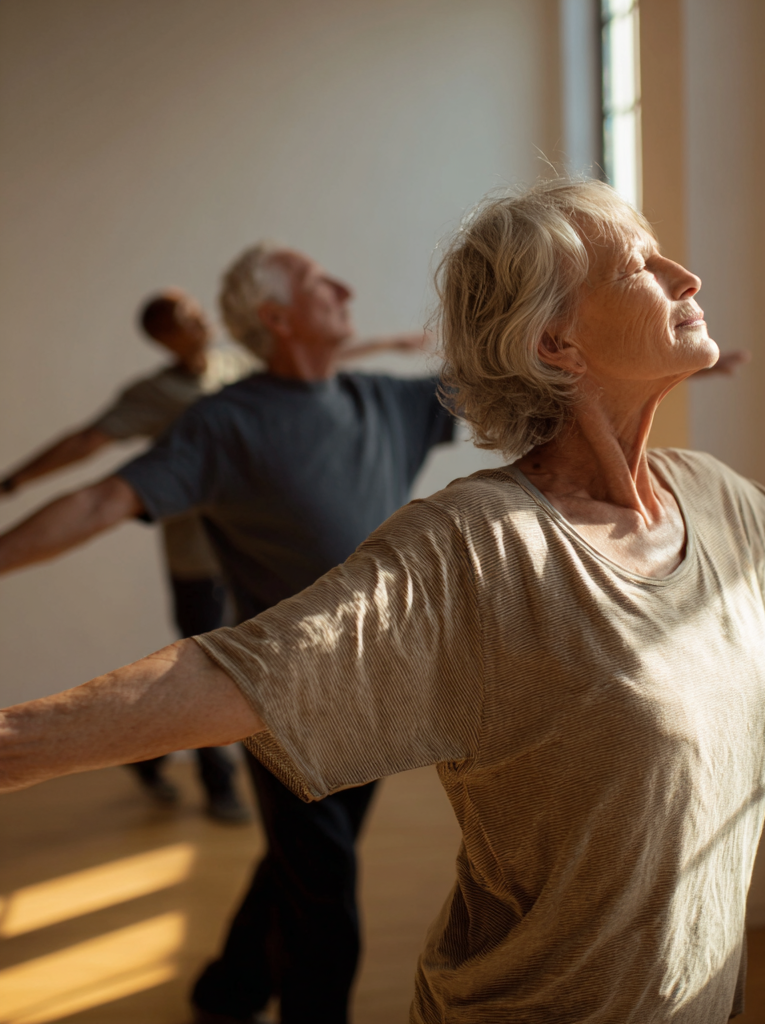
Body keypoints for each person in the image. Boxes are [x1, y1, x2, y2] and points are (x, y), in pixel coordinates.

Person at [0, 179, 765, 1024]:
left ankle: (226, 985)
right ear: (558, 345)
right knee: (319, 897)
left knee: (307, 877)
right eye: (640, 266)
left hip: (701, 996)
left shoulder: (713, 499)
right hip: (512, 981)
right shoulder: (471, 545)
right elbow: (236, 665)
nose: (686, 277)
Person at [0, 243, 456, 1024]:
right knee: (325, 903)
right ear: (277, 318)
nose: (346, 283)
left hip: (381, 688)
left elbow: (520, 387)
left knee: (306, 861)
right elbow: (100, 501)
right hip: (282, 696)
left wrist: (648, 366)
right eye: (321, 281)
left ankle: (230, 989)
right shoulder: (223, 422)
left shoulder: (390, 401)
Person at [0, 290, 256, 819]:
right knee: (210, 670)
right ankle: (219, 785)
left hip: (254, 546)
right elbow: (88, 440)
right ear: (164, 338)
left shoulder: (239, 362)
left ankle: (147, 759)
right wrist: (16, 478)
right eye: (185, 320)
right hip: (198, 557)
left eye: (196, 310)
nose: (200, 320)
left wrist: (386, 344)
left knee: (252, 665)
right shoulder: (152, 392)